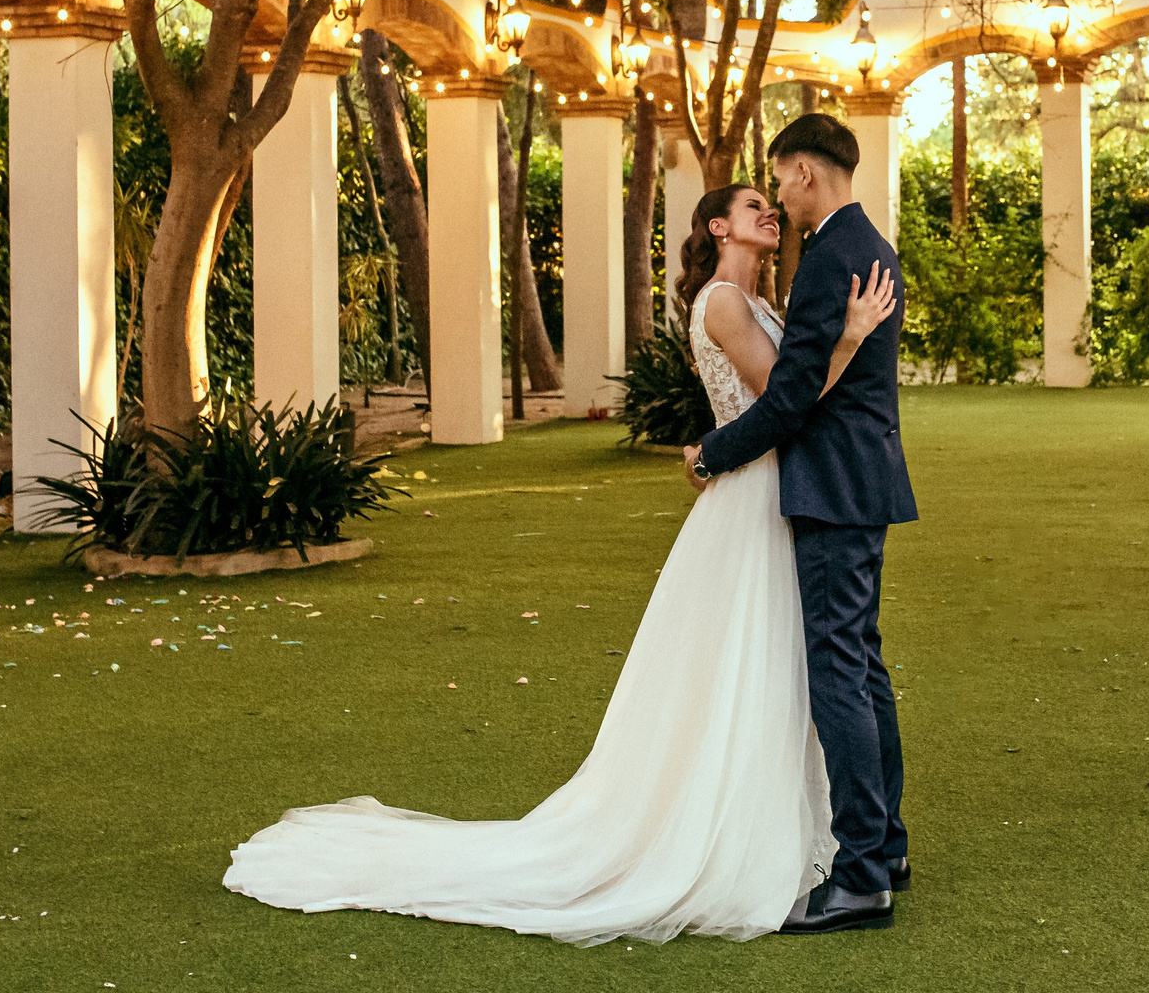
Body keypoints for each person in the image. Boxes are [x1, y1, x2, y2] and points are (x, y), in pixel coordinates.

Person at [222, 176, 897, 946]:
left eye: (768, 202)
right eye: (751, 207)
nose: (768, 211)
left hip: (774, 489)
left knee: (774, 664)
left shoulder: (757, 302)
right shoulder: (723, 303)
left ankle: (803, 829)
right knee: (754, 660)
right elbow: (788, 396)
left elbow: (788, 395)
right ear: (717, 227)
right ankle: (734, 832)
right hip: (752, 496)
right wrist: (845, 341)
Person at [687, 112, 918, 934]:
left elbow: (789, 397)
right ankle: (884, 847)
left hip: (831, 486)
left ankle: (861, 874)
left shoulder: (830, 258)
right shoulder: (868, 246)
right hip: (865, 480)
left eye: (781, 178)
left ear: (807, 173)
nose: (780, 194)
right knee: (862, 665)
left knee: (839, 673)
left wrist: (714, 452)